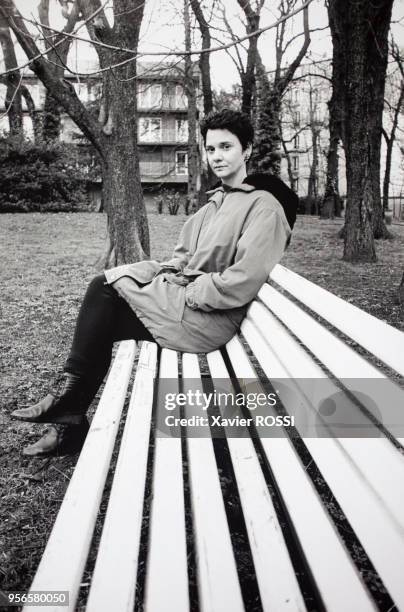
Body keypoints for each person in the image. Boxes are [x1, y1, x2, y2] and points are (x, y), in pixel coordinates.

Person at [11, 108, 297, 456]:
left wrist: (189, 291)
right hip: (189, 305)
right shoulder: (213, 205)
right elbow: (181, 258)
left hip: (208, 318)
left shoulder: (264, 207)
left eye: (227, 147)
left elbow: (243, 280)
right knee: (104, 296)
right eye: (211, 149)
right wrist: (164, 275)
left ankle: (68, 410)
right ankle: (69, 417)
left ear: (247, 149)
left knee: (103, 291)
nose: (217, 157)